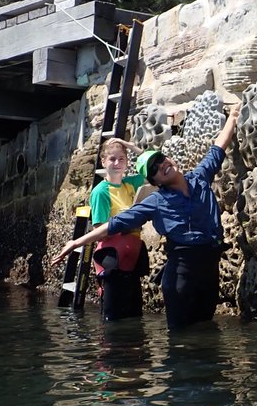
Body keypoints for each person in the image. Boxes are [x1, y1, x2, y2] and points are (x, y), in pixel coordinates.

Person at [54, 108, 238, 329]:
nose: (162, 166)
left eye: (161, 159)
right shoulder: (156, 200)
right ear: (156, 181)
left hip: (210, 270)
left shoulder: (200, 178)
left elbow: (218, 147)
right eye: (156, 169)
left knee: (206, 334)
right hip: (181, 275)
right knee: (182, 343)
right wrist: (76, 242)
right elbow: (114, 225)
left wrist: (234, 117)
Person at [89, 137, 150, 321]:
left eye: (121, 159)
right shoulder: (101, 192)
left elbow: (153, 167)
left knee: (134, 316)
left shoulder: (130, 184)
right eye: (112, 159)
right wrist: (128, 224)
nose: (117, 163)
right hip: (112, 259)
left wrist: (132, 147)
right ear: (103, 162)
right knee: (113, 319)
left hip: (131, 258)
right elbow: (99, 227)